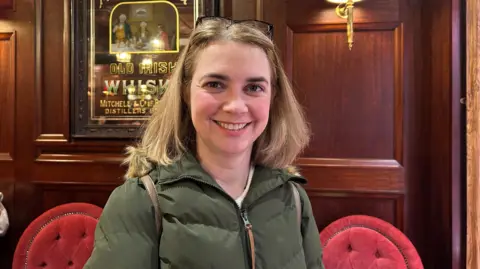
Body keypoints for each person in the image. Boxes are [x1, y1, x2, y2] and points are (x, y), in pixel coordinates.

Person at [84, 16, 324, 269]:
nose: (235, 106)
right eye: (215, 84)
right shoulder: (139, 200)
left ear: (273, 97)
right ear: (186, 92)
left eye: (254, 87)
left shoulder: (293, 198)